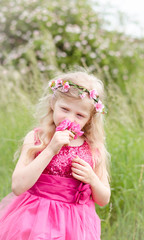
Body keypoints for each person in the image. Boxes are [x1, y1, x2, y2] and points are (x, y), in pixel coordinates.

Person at [0, 70, 111, 240]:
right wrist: (51, 149)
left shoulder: (93, 148)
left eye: (80, 115)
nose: (70, 118)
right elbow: (18, 186)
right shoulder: (37, 138)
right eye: (64, 109)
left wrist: (92, 179)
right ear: (53, 103)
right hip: (35, 219)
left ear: (89, 119)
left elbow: (104, 199)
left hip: (75, 225)